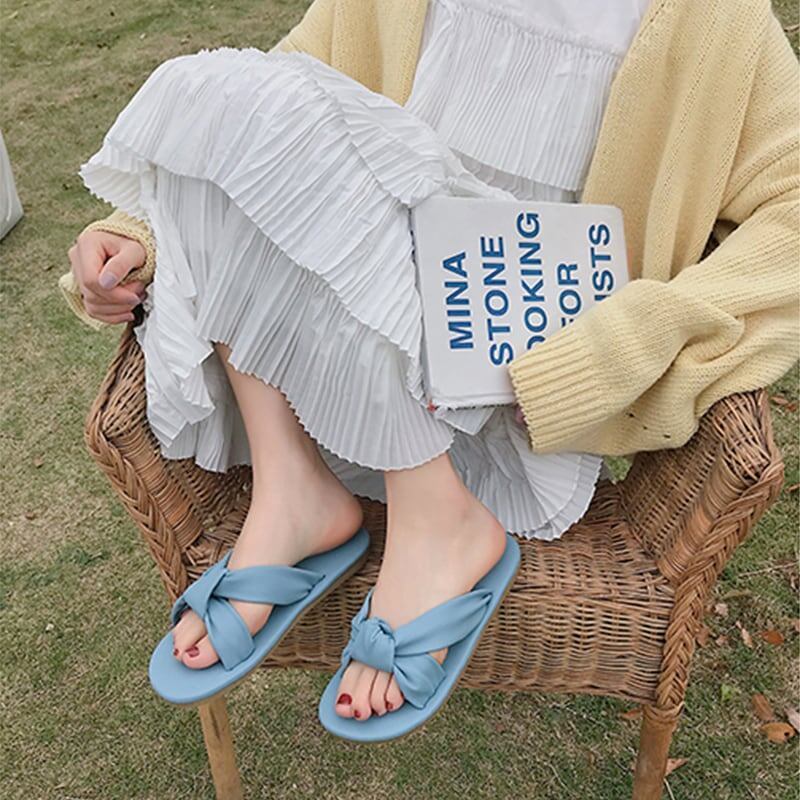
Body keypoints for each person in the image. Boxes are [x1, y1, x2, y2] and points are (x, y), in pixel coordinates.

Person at [61, 0, 799, 733]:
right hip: (332, 380)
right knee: (213, 92)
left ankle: (437, 518)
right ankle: (294, 491)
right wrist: (137, 235)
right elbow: (282, 93)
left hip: (512, 395)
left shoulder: (716, 21)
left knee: (235, 99)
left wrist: (613, 352)